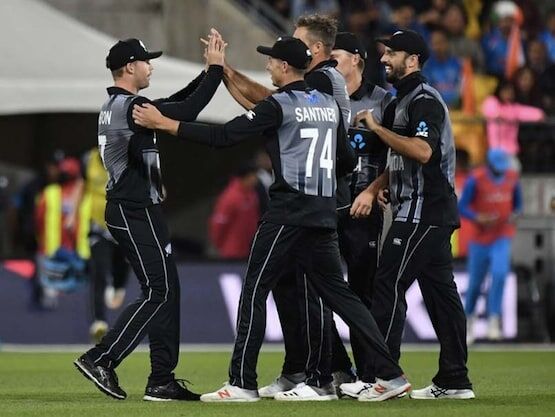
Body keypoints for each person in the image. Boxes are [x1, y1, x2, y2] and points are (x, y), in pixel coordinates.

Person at [132, 36, 411, 403]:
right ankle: (389, 373)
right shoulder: (328, 105)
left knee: (254, 290)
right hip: (323, 213)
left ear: (284, 66)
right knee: (342, 296)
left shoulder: (279, 105)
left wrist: (166, 124)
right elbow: (345, 160)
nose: (267, 66)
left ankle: (242, 382)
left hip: (287, 214)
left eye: (270, 61)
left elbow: (223, 136)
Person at [73, 36, 225, 401]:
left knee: (167, 291)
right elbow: (185, 111)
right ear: (130, 67)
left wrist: (207, 72)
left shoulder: (121, 105)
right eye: (146, 61)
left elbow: (171, 105)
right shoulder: (132, 107)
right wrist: (216, 71)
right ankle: (101, 359)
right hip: (132, 209)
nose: (151, 67)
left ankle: (161, 379)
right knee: (160, 291)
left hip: (140, 208)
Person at [215, 15, 355, 399]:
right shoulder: (313, 87)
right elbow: (268, 109)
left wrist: (225, 71)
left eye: (298, 41)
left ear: (314, 50)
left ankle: (327, 374)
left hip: (313, 198)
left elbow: (270, 104)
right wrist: (225, 74)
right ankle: (304, 370)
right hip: (315, 197)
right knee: (291, 286)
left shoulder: (320, 82)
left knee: (312, 291)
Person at [348, 30, 475, 400]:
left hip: (424, 210)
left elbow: (421, 151)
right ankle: (454, 379)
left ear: (413, 59)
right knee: (440, 295)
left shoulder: (425, 100)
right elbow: (398, 156)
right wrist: (376, 186)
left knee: (387, 283)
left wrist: (376, 128)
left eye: (392, 52)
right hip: (423, 210)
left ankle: (385, 375)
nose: (384, 58)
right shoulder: (400, 101)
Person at [329, 31, 396, 398]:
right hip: (329, 206)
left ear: (356, 59)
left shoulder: (383, 101)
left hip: (363, 209)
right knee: (315, 288)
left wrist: (373, 189)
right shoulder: (324, 98)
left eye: (335, 57)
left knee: (362, 293)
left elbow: (398, 154)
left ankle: (369, 374)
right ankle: (337, 367)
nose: (329, 64)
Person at [459, 148, 522, 343]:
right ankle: (469, 321)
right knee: (475, 284)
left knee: (500, 274)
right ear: (489, 165)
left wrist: (515, 215)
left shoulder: (512, 178)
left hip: (502, 235)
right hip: (480, 238)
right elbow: (462, 207)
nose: (500, 172)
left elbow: (518, 205)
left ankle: (494, 320)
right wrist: (478, 217)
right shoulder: (475, 179)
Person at [80, 148, 130, 343]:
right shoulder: (88, 159)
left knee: (122, 264)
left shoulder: (126, 158)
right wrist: (73, 215)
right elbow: (82, 187)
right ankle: (98, 321)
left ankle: (118, 285)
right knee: (99, 271)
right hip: (97, 227)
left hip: (121, 225)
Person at [209, 162, 261, 260]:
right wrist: (220, 245)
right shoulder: (230, 197)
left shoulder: (252, 194)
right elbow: (218, 224)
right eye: (253, 176)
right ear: (246, 177)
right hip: (232, 251)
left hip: (248, 248)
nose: (256, 179)